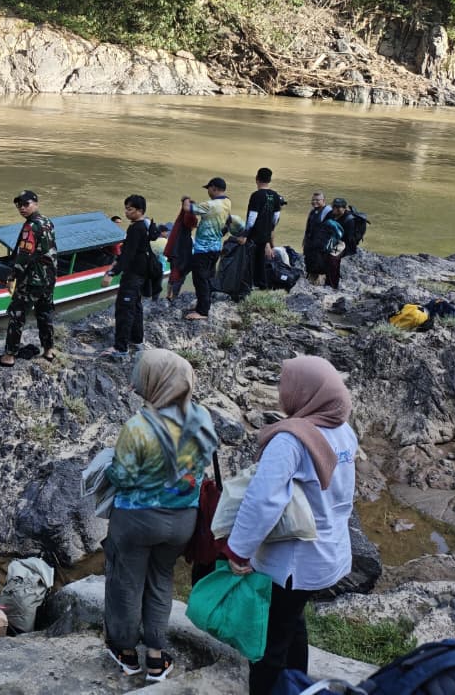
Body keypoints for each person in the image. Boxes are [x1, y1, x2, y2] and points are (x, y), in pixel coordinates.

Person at [225, 356, 357, 695]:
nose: (281, 391)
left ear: (305, 392)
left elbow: (263, 500)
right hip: (330, 552)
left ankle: (274, 688)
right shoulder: (343, 430)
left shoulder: (291, 440)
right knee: (293, 623)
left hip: (294, 561)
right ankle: (298, 685)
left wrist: (239, 550)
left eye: (285, 385)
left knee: (268, 646)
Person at [103, 349, 218, 681]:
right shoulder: (202, 418)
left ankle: (125, 652)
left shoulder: (138, 426)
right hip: (183, 520)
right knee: (161, 579)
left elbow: (122, 477)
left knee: (127, 581)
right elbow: (203, 462)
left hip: (137, 520)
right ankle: (156, 656)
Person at [0, 190, 59, 368]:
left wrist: (12, 277)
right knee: (45, 313)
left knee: (17, 315)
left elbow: (24, 255)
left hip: (31, 281)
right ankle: (48, 350)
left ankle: (9, 355)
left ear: (36, 203)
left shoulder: (30, 227)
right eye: (19, 205)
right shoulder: (47, 222)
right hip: (49, 279)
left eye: (26, 204)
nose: (22, 208)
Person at [102, 195, 151, 358]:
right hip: (140, 274)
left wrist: (111, 273)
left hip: (132, 276)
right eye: (126, 208)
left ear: (140, 211)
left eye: (130, 209)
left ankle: (120, 348)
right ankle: (137, 340)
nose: (126, 212)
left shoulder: (135, 229)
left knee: (124, 310)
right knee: (136, 307)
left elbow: (127, 255)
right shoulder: (144, 226)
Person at [184, 178, 234, 321]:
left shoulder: (210, 204)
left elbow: (187, 208)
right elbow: (228, 221)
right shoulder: (227, 202)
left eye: (208, 189)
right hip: (216, 247)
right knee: (208, 277)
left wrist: (186, 199)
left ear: (214, 188)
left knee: (200, 279)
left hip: (203, 249)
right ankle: (204, 303)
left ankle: (202, 311)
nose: (208, 192)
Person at [239, 167, 285, 290]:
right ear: (269, 180)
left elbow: (252, 217)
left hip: (255, 234)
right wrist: (270, 229)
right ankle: (263, 285)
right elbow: (276, 217)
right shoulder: (275, 196)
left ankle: (249, 284)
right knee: (261, 260)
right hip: (266, 234)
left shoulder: (256, 195)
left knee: (250, 260)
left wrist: (245, 234)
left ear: (257, 179)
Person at [164, 204, 199, 301]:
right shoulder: (186, 235)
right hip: (181, 259)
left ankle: (168, 295)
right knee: (178, 277)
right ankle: (174, 297)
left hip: (175, 256)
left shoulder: (178, 228)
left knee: (173, 276)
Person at [301, 192, 332, 284]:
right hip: (311, 243)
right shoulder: (313, 211)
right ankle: (311, 280)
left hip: (321, 245)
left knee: (319, 265)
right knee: (309, 262)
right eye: (313, 200)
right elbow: (309, 226)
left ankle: (319, 282)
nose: (314, 202)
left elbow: (331, 230)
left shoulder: (328, 212)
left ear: (323, 200)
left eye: (317, 200)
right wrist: (305, 239)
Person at [321, 205, 347, 289]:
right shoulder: (332, 217)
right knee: (332, 264)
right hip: (335, 244)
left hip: (337, 246)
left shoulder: (347, 219)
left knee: (332, 264)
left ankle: (332, 286)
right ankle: (332, 284)